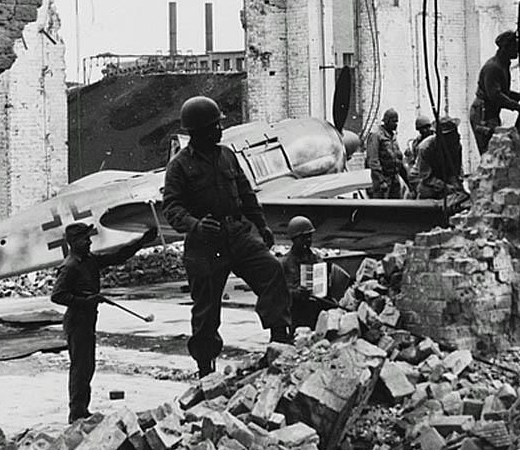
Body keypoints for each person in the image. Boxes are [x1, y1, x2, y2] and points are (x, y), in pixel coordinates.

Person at [161, 95, 291, 377]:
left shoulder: (227, 155)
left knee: (272, 272)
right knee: (206, 311)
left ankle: (279, 340)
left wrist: (262, 225)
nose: (220, 130)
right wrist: (195, 225)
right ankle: (205, 369)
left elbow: (246, 193)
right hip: (204, 244)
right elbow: (171, 208)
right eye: (215, 126)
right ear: (200, 131)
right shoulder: (180, 166)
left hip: (237, 234)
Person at [51, 222, 158, 423]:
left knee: (87, 366)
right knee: (80, 368)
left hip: (87, 320)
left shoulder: (88, 260)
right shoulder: (70, 266)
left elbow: (116, 257)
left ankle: (82, 410)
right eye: (85, 238)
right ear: (74, 242)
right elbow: (57, 296)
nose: (89, 241)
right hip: (77, 321)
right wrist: (86, 301)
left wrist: (141, 242)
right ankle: (76, 414)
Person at [279, 216, 352, 332]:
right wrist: (296, 292)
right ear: (294, 239)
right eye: (303, 238)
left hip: (315, 310)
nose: (308, 240)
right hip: (296, 312)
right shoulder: (284, 263)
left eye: (309, 237)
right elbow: (278, 293)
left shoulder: (316, 259)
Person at [470, 30, 520, 155]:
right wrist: (518, 106)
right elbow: (495, 96)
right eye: (514, 47)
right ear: (505, 48)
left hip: (491, 113)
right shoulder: (493, 67)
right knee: (490, 153)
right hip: (483, 114)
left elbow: (503, 91)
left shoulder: (503, 65)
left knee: (496, 150)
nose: (517, 50)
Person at [412, 116, 464, 200]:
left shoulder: (456, 146)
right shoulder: (425, 148)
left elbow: (455, 172)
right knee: (427, 193)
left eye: (455, 132)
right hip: (424, 180)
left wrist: (457, 186)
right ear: (442, 137)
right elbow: (425, 177)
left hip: (444, 178)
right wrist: (445, 187)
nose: (457, 135)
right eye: (452, 134)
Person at [366, 109, 409, 198]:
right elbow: (373, 161)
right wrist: (381, 181)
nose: (396, 124)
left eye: (397, 121)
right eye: (393, 121)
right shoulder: (376, 135)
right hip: (383, 180)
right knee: (382, 208)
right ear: (386, 121)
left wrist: (408, 181)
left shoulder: (393, 137)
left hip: (394, 179)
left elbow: (398, 159)